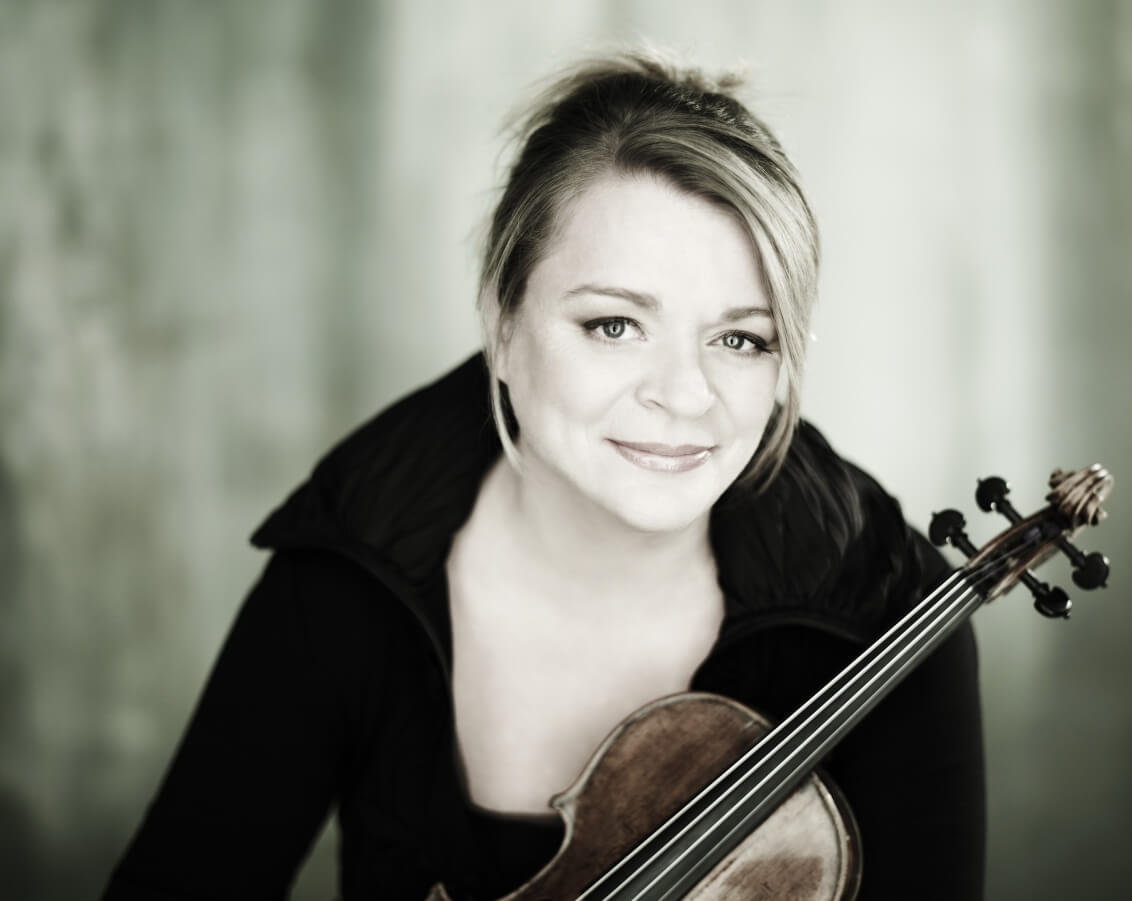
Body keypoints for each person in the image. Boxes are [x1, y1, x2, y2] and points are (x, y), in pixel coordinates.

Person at [103, 48, 984, 900]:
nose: (685, 395)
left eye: (740, 339)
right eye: (614, 325)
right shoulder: (347, 581)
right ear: (502, 319)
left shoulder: (890, 615)